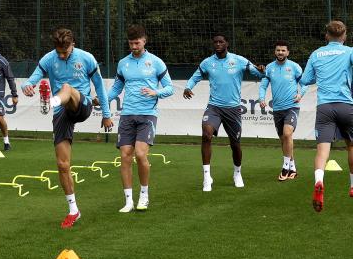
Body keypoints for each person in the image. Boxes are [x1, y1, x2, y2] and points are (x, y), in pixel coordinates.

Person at [22, 28, 113, 228]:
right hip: (61, 113)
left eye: (65, 51)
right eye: (59, 52)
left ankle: (51, 100)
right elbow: (32, 79)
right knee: (62, 165)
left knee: (67, 89)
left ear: (73, 44)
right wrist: (27, 86)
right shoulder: (49, 58)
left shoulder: (87, 58)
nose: (62, 55)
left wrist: (106, 115)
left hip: (82, 104)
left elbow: (99, 88)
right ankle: (73, 210)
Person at [183, 33, 264, 191]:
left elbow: (258, 73)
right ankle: (207, 177)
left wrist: (261, 69)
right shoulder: (207, 62)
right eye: (215, 42)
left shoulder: (239, 60)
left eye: (221, 41)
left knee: (235, 144)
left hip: (233, 109)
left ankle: (237, 173)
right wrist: (188, 87)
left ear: (227, 43)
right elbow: (194, 77)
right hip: (214, 107)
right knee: (206, 135)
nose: (218, 44)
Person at [107, 25, 173, 212]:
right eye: (131, 43)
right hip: (127, 115)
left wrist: (155, 92)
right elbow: (116, 88)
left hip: (147, 115)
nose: (134, 46)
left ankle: (144, 195)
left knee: (141, 154)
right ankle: (128, 201)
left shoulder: (156, 62)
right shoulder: (123, 63)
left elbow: (169, 88)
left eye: (137, 43)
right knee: (125, 157)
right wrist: (103, 98)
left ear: (144, 41)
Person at [299, 20, 353, 212]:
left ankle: (319, 180)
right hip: (346, 105)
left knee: (322, 150)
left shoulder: (316, 54)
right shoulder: (350, 52)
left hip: (324, 107)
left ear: (326, 36)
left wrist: (321, 74)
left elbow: (305, 80)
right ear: (344, 36)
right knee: (351, 145)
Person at [258, 41, 305, 181]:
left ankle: (285, 168)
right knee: (284, 139)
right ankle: (293, 168)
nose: (280, 52)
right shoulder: (269, 68)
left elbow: (304, 84)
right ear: (275, 52)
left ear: (288, 52)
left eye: (283, 50)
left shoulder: (294, 67)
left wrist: (300, 94)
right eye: (278, 50)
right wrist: (261, 98)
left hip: (292, 106)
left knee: (287, 133)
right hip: (277, 109)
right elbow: (263, 86)